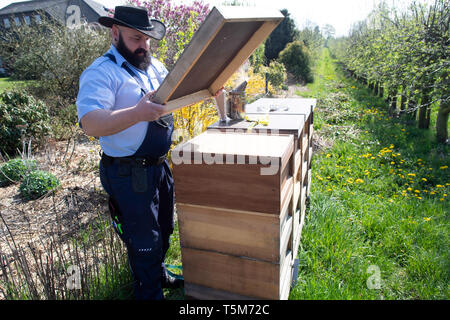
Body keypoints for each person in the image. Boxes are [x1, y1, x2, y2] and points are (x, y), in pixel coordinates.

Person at [76, 5, 182, 300]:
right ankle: (148, 293)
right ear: (115, 33)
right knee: (143, 240)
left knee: (163, 228)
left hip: (158, 167)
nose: (143, 46)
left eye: (147, 40)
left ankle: (158, 275)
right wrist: (137, 113)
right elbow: (90, 123)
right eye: (136, 39)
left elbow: (174, 95)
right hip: (127, 172)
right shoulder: (101, 72)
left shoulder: (156, 66)